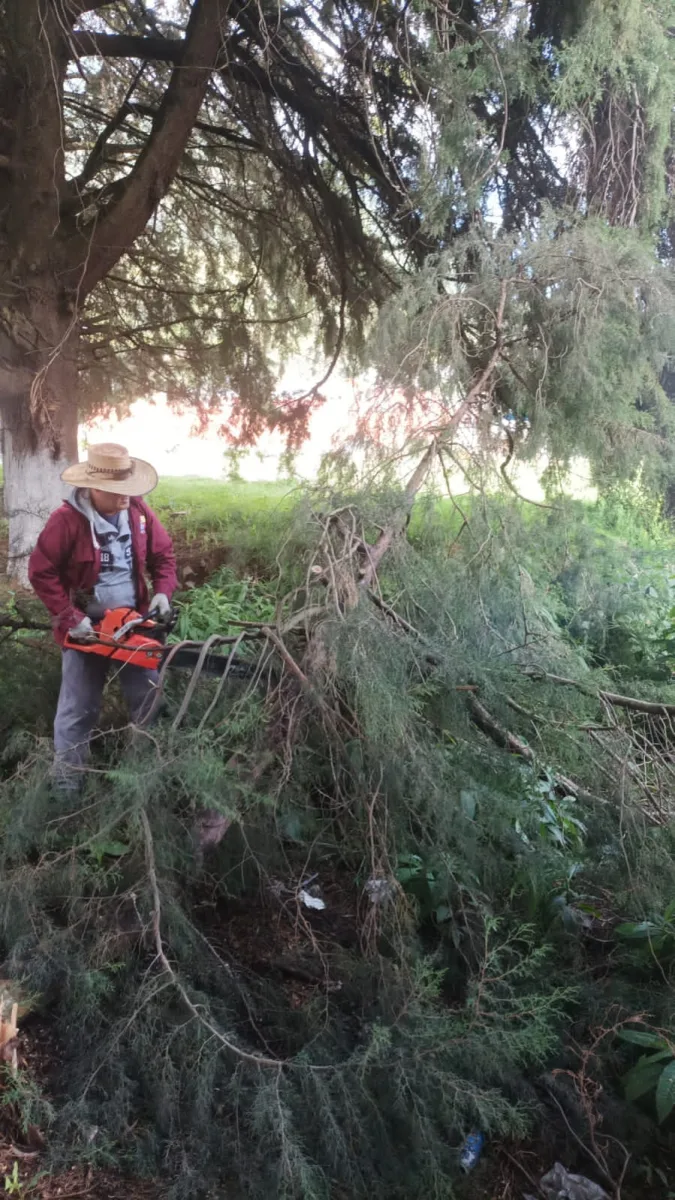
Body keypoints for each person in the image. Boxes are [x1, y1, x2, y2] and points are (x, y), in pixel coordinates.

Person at [28, 442, 177, 788]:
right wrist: (69, 617)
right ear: (94, 487)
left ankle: (149, 779)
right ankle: (67, 788)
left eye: (128, 489)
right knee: (77, 711)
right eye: (116, 491)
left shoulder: (138, 513)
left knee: (149, 702)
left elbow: (164, 557)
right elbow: (41, 572)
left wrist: (162, 593)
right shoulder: (66, 521)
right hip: (87, 630)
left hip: (135, 625)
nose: (125, 497)